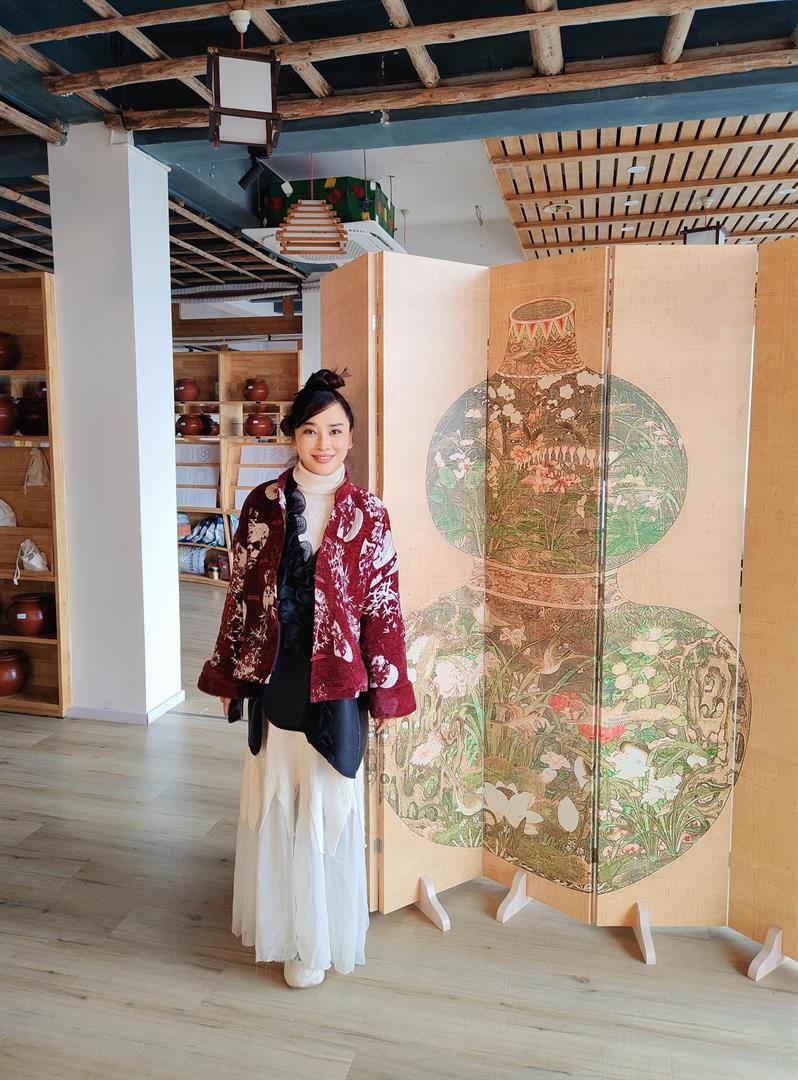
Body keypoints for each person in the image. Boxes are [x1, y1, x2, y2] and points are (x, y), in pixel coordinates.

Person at [197, 368, 416, 988]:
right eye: (312, 430)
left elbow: (383, 606)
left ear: (351, 439)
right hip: (276, 676)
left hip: (339, 681)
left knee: (326, 800)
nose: (325, 443)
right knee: (279, 794)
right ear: (292, 436)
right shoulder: (261, 505)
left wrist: (386, 690)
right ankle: (283, 926)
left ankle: (316, 937)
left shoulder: (369, 513)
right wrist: (230, 679)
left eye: (336, 431)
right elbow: (240, 595)